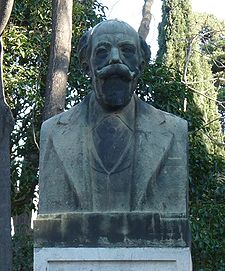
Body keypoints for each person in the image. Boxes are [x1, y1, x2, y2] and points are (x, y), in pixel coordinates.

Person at [38, 20, 188, 215]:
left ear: (141, 65)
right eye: (102, 51)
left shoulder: (174, 130)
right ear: (86, 66)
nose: (115, 59)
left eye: (127, 50)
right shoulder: (52, 132)